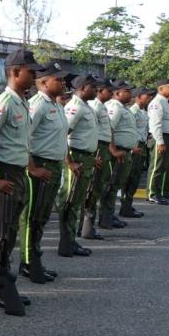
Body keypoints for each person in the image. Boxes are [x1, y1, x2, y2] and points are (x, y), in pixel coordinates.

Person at [0, 48, 41, 315]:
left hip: (17, 172)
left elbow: (23, 142)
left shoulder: (22, 102)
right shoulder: (3, 102)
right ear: (15, 72)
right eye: (31, 72)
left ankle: (5, 282)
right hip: (3, 171)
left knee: (11, 233)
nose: (35, 76)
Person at [18, 63, 70, 284]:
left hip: (53, 166)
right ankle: (28, 262)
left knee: (42, 216)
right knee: (32, 216)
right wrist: (31, 168)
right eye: (58, 79)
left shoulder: (56, 105)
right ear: (43, 82)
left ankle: (34, 259)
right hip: (40, 165)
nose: (63, 82)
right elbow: (24, 138)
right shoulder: (36, 105)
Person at [58, 74, 99, 257]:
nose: (96, 90)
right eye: (93, 87)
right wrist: (69, 162)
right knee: (70, 202)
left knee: (76, 202)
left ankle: (70, 242)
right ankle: (66, 244)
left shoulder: (85, 106)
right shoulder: (75, 107)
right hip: (77, 158)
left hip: (86, 158)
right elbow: (62, 134)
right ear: (82, 88)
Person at [81, 79, 120, 238]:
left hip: (102, 149)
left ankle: (88, 227)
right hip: (98, 149)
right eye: (108, 90)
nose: (111, 93)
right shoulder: (95, 106)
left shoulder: (100, 106)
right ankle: (86, 227)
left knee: (98, 186)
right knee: (93, 188)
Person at [98, 81, 139, 228]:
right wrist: (113, 150)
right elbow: (109, 129)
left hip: (124, 151)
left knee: (116, 185)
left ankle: (109, 215)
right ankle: (105, 217)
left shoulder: (123, 108)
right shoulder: (115, 107)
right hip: (118, 153)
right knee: (111, 185)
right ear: (117, 93)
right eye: (126, 91)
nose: (130, 93)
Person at [146, 79, 169, 205]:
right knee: (157, 167)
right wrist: (160, 142)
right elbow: (155, 124)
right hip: (160, 138)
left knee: (163, 167)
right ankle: (152, 194)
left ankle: (159, 193)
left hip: (168, 138)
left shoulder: (165, 102)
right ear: (161, 89)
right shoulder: (157, 102)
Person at [121, 88, 153, 217]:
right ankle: (125, 207)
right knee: (129, 177)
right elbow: (129, 130)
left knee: (135, 178)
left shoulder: (143, 111)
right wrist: (132, 146)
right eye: (148, 96)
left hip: (142, 145)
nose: (150, 98)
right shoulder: (133, 111)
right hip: (134, 146)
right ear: (139, 96)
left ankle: (128, 205)